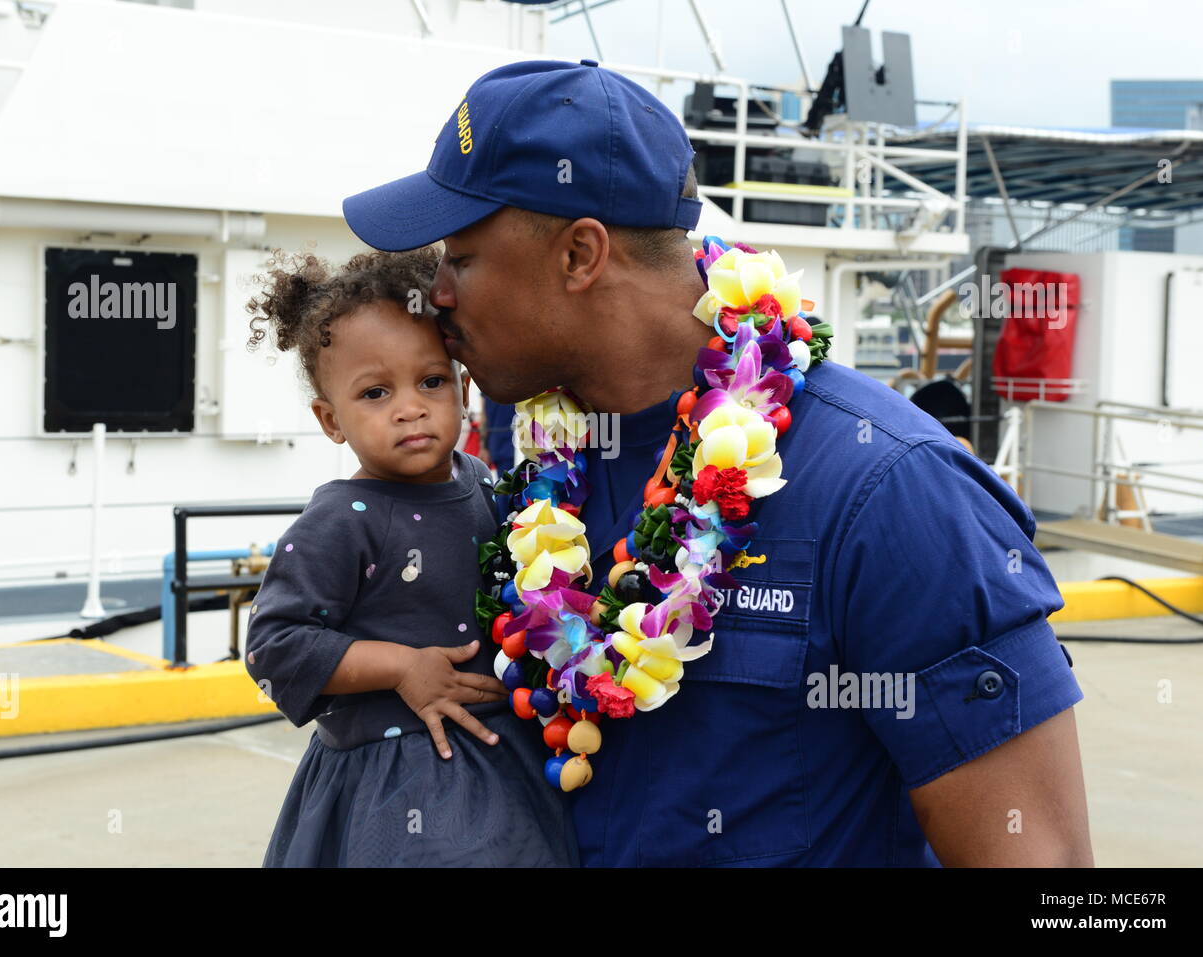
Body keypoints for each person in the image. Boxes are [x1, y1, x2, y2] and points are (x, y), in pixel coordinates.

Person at [339, 59, 1093, 867]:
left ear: (579, 255)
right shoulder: (535, 483)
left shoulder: (892, 489)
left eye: (461, 257)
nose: (436, 293)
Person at [241, 246, 577, 867]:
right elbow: (272, 646)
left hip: (506, 761)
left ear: (463, 386)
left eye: (430, 381)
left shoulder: (482, 483)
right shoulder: (339, 521)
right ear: (329, 419)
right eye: (374, 393)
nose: (409, 407)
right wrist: (401, 667)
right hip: (393, 783)